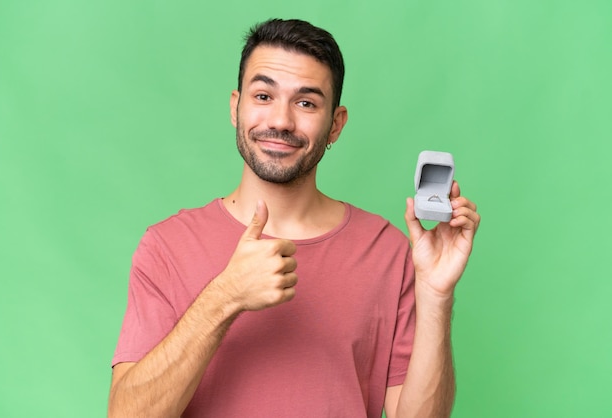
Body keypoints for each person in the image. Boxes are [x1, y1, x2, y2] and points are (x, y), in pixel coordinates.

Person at [108, 18, 480, 418]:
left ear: (335, 125)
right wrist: (224, 298)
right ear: (236, 107)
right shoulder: (168, 247)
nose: (281, 121)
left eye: (306, 103)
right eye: (264, 96)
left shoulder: (387, 251)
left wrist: (436, 295)